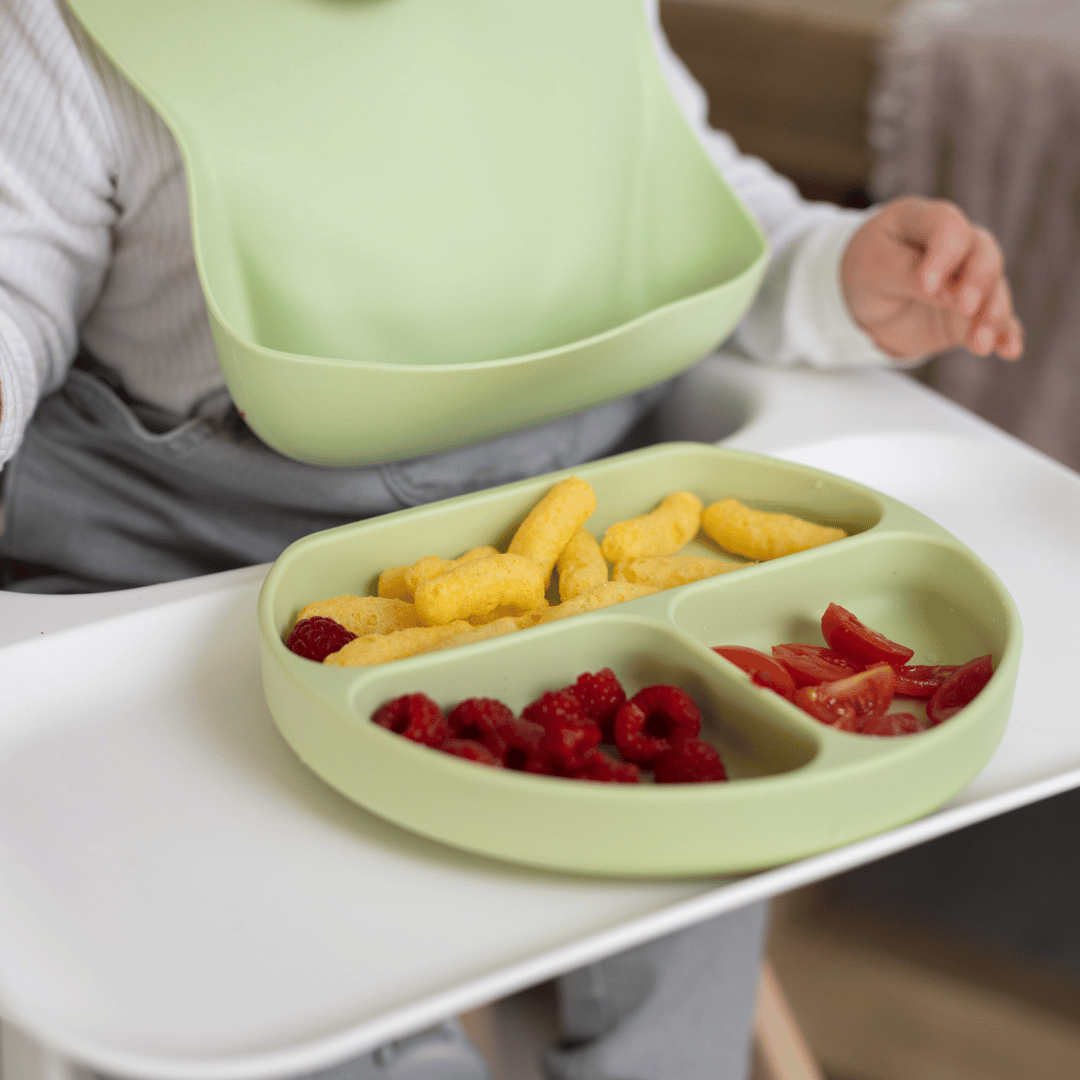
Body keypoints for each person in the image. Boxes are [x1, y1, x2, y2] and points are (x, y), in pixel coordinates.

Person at [0, 1, 1022, 1078]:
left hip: (581, 565)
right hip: (196, 570)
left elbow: (686, 205)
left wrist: (829, 273)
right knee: (264, 921)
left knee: (704, 839)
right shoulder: (64, 33)